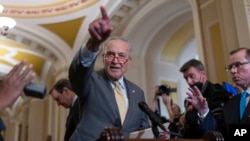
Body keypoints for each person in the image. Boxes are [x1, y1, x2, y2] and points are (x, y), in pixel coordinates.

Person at [68, 6, 149, 141]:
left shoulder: (138, 92)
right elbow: (77, 74)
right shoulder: (91, 80)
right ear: (103, 58)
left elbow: (142, 129)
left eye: (121, 56)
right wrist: (93, 44)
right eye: (110, 55)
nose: (115, 60)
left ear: (128, 61)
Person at [194, 47, 250, 140]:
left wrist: (234, 133)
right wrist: (204, 111)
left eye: (238, 64)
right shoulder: (232, 102)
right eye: (230, 67)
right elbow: (220, 133)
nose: (233, 71)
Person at [180, 59, 230, 138]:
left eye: (191, 76)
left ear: (203, 74)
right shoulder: (190, 98)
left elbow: (218, 127)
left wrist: (189, 115)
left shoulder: (217, 92)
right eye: (186, 78)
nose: (189, 82)